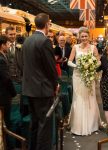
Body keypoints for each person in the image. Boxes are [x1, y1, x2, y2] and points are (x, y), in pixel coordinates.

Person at [22, 13, 58, 150]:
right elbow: (50, 68)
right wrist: (56, 85)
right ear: (47, 24)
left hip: (30, 89)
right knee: (45, 126)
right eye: (50, 23)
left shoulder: (27, 40)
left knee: (34, 124)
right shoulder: (45, 41)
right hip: (43, 90)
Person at [68, 27, 102, 136]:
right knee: (78, 98)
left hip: (89, 76)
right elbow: (69, 62)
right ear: (79, 37)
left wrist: (92, 66)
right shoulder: (75, 47)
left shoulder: (93, 48)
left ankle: (91, 125)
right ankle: (77, 125)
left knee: (90, 98)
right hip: (78, 76)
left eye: (85, 36)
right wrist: (77, 66)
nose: (84, 38)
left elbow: (99, 62)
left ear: (88, 36)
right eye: (82, 36)